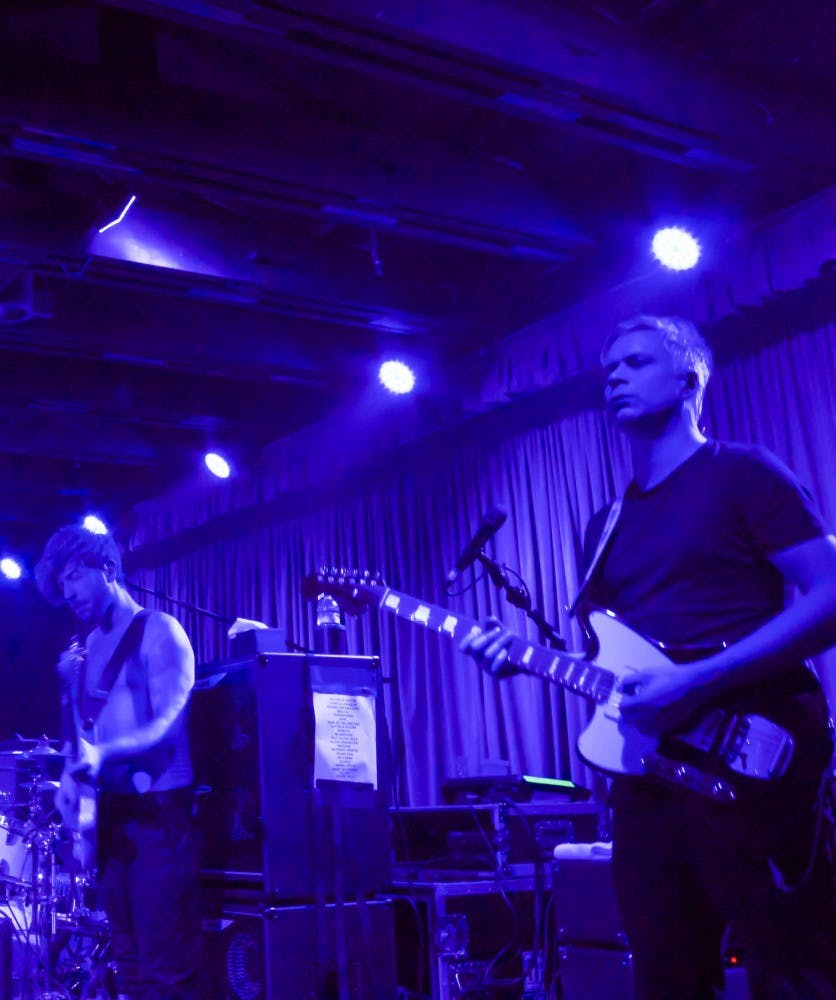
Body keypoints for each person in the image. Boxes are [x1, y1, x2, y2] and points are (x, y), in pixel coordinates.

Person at [463, 315, 836, 999]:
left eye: (634, 362)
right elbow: (618, 661)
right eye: (608, 369)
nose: (613, 377)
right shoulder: (603, 525)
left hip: (752, 758)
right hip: (649, 780)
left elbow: (831, 595)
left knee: (794, 972)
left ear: (690, 376)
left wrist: (698, 681)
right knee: (666, 978)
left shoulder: (743, 474)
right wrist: (518, 659)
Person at [35, 524, 202, 1000]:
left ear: (106, 568)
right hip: (114, 822)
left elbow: (169, 724)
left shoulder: (160, 631)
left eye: (73, 576)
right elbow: (87, 742)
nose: (68, 593)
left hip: (160, 820)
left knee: (165, 972)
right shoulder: (87, 650)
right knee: (128, 967)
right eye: (61, 585)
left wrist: (101, 755)